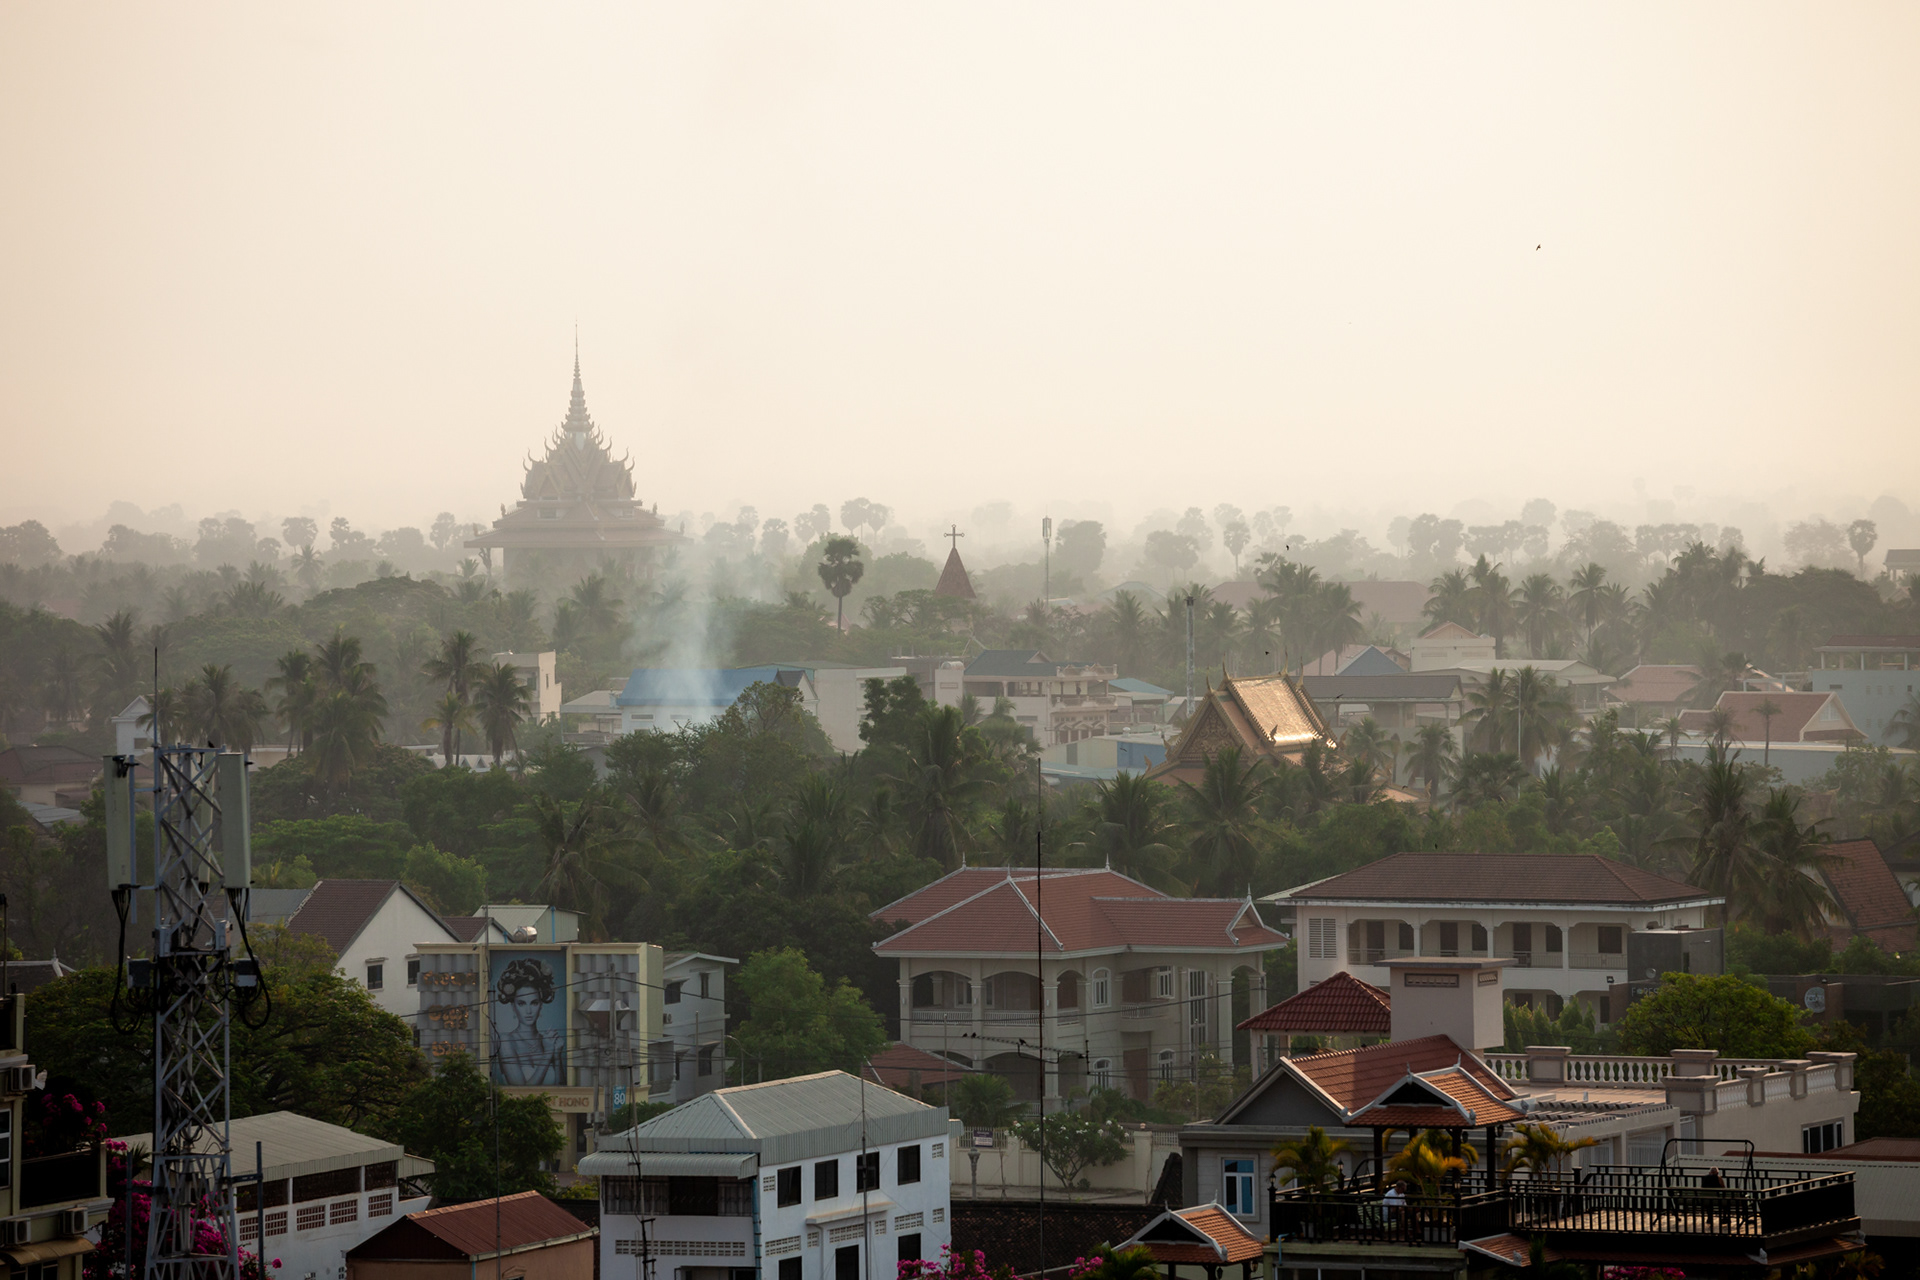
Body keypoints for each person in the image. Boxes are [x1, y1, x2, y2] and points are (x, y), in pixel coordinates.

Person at [492, 956, 565, 1086]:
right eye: (521, 1004)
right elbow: (521, 1091)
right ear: (513, 1007)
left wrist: (557, 1055)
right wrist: (548, 1054)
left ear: (541, 1005)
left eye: (534, 1003)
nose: (529, 1011)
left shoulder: (547, 1041)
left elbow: (562, 1088)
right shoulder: (506, 1041)